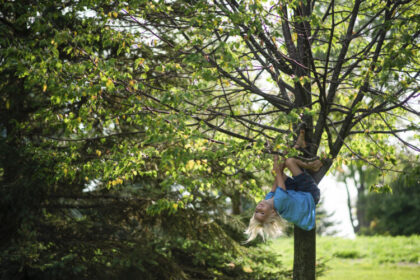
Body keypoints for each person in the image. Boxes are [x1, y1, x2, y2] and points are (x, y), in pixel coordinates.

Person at [245, 131, 323, 242]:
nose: (258, 208)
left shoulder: (268, 199)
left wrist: (278, 155)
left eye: (256, 212)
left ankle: (298, 145)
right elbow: (279, 172)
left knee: (278, 169)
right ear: (272, 212)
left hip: (295, 193)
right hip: (309, 194)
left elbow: (277, 175)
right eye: (262, 212)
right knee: (290, 161)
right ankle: (311, 165)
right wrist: (278, 157)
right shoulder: (279, 202)